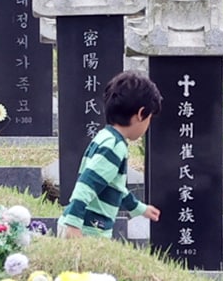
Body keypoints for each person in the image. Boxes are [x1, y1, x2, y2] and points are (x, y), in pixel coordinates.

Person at [58, 71, 162, 238]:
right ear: (141, 114)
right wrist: (73, 222)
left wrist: (140, 209)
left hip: (88, 226)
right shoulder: (114, 146)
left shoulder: (106, 137)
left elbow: (114, 186)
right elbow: (86, 184)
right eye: (149, 118)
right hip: (87, 230)